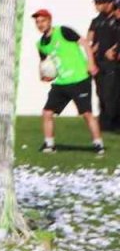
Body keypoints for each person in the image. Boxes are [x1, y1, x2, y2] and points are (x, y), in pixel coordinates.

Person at [33, 9, 103, 155]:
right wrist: (43, 75)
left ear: (49, 20)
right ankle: (49, 145)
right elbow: (44, 62)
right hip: (61, 83)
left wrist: (91, 64)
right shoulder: (41, 44)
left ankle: (98, 144)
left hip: (79, 79)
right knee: (47, 113)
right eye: (37, 22)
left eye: (43, 21)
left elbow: (85, 43)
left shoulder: (63, 31)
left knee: (87, 114)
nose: (40, 24)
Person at [88, 0, 120, 132]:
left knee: (111, 94)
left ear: (110, 3)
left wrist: (114, 49)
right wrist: (91, 49)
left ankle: (114, 123)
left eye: (102, 3)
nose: (99, 5)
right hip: (98, 62)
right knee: (101, 93)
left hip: (112, 63)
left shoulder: (116, 20)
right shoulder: (97, 21)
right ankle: (105, 124)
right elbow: (89, 39)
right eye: (98, 3)